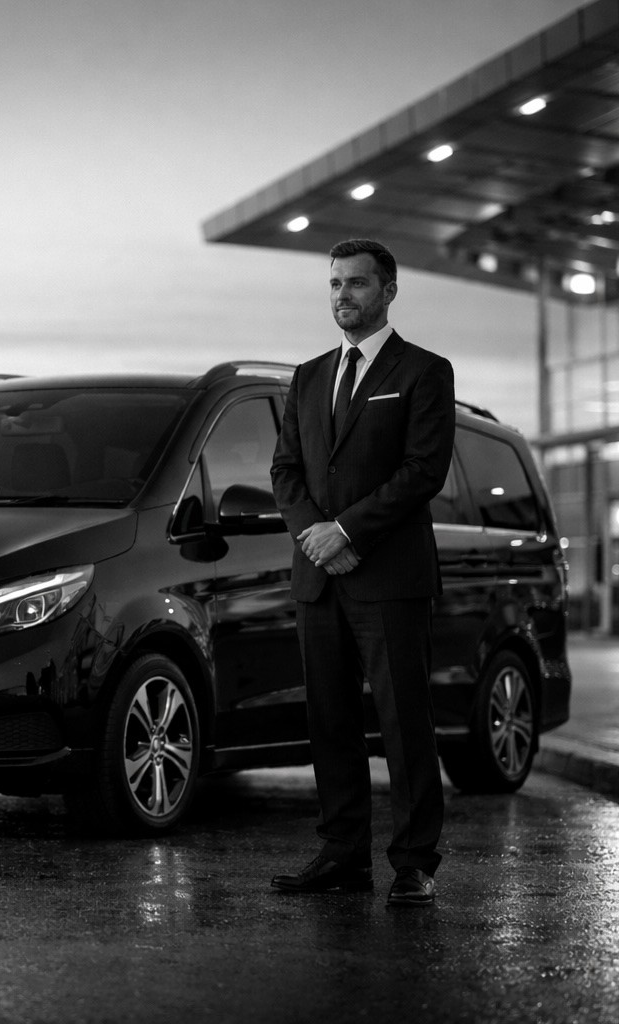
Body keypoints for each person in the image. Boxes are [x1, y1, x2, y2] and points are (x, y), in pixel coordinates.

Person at [268, 238, 455, 907]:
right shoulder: (309, 375)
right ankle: (343, 851)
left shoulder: (424, 371)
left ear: (389, 290)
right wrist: (315, 537)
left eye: (355, 284)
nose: (342, 295)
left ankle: (413, 862)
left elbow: (421, 472)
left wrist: (345, 530)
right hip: (319, 577)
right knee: (331, 719)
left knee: (404, 722)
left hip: (390, 577)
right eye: (334, 284)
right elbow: (285, 471)